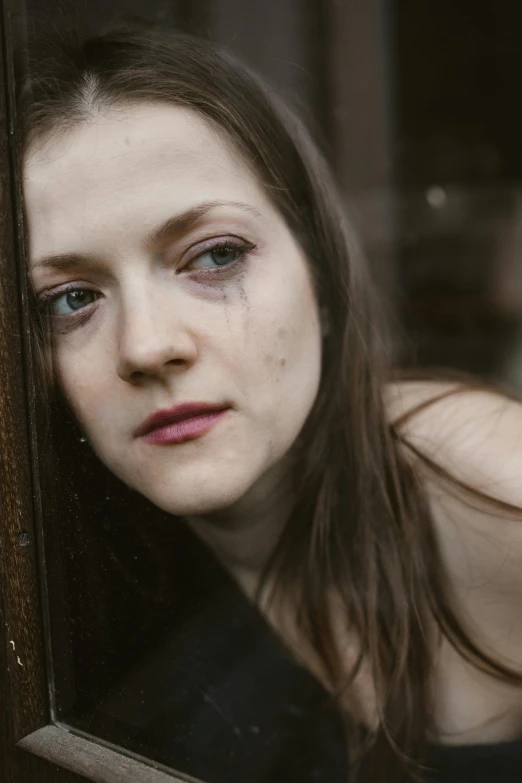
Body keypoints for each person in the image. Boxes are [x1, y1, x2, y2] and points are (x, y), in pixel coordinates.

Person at [18, 24, 522, 783]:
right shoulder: (60, 613)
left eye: (215, 255)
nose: (148, 346)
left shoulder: (472, 475)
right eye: (72, 298)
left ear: (319, 273)